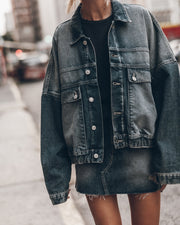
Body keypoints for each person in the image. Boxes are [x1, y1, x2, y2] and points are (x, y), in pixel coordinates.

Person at [40, 0, 180, 224]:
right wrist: (57, 176)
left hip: (142, 158)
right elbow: (52, 106)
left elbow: (169, 89)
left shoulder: (141, 20)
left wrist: (167, 160)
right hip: (92, 162)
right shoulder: (63, 36)